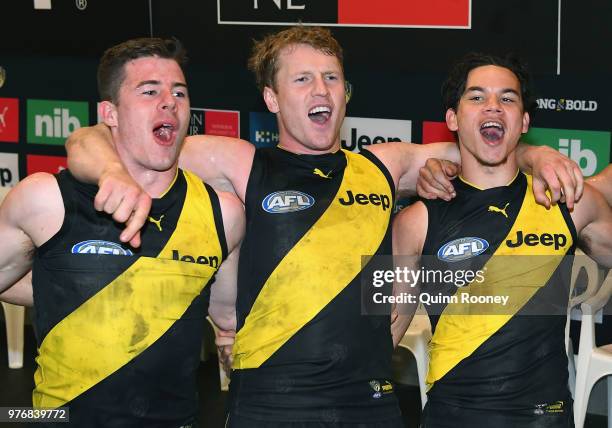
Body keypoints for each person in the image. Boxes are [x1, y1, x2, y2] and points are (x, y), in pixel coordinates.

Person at [64, 27, 582, 427]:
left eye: (332, 78)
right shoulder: (244, 163)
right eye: (303, 79)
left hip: (371, 404)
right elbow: (99, 137)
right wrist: (110, 171)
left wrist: (538, 154)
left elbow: (484, 143)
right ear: (271, 99)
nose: (322, 90)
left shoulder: (383, 166)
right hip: (271, 407)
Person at [0, 37, 244, 427]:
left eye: (178, 92)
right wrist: (63, 288)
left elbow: (226, 316)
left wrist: (233, 341)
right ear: (109, 113)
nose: (169, 101)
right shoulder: (45, 199)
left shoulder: (223, 213)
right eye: (150, 91)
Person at [392, 52, 612, 427]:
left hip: (545, 418)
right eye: (476, 97)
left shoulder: (570, 205)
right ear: (452, 118)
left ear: (523, 121)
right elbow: (386, 330)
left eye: (508, 98)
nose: (493, 106)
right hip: (453, 418)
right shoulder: (415, 221)